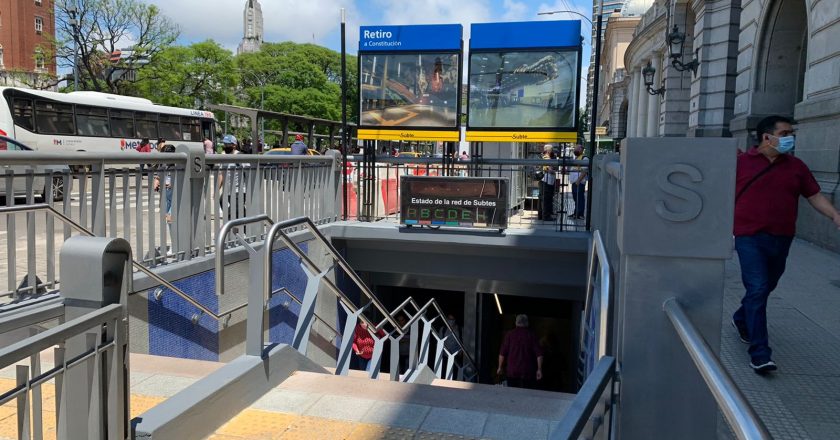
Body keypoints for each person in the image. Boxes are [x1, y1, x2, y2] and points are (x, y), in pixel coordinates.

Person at [732, 115, 840, 374]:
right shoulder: (739, 163)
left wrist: (835, 215)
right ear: (766, 137)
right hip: (748, 236)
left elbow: (814, 195)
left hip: (782, 237)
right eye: (785, 133)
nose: (790, 137)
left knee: (767, 286)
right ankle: (760, 353)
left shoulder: (796, 166)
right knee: (757, 287)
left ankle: (740, 318)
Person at [497, 314, 543, 389]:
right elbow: (539, 355)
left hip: (512, 372)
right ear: (527, 323)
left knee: (512, 394)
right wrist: (539, 370)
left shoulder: (509, 335)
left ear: (516, 323)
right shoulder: (531, 335)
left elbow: (502, 353)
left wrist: (500, 367)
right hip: (527, 372)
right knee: (526, 396)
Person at [217, 134, 247, 220]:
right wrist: (217, 189)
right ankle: (234, 223)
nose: (225, 146)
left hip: (239, 190)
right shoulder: (223, 157)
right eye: (224, 144)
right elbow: (221, 174)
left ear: (234, 145)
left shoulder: (241, 156)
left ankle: (244, 228)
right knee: (222, 201)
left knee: (237, 209)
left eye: (228, 144)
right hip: (228, 190)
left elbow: (249, 172)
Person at [568, 145, 588, 220]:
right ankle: (576, 213)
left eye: (576, 149)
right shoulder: (575, 158)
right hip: (574, 182)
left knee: (579, 198)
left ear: (581, 150)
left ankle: (580, 214)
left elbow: (585, 171)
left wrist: (578, 180)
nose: (574, 150)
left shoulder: (584, 158)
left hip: (579, 182)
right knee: (576, 198)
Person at [538, 145, 557, 221]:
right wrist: (555, 171)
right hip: (546, 181)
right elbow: (550, 170)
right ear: (549, 151)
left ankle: (541, 215)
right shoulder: (546, 158)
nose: (553, 152)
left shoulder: (543, 156)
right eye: (552, 150)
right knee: (546, 199)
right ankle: (546, 216)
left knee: (542, 199)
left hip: (544, 181)